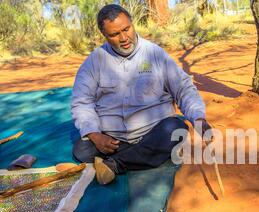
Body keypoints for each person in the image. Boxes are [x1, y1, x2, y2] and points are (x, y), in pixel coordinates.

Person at [71, 4, 211, 185]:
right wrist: (96, 135)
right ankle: (144, 155)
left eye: (126, 29)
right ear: (104, 36)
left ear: (132, 23)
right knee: (82, 151)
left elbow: (183, 89)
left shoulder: (154, 54)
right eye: (114, 34)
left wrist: (198, 117)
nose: (124, 38)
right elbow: (82, 102)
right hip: (114, 139)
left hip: (153, 131)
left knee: (176, 130)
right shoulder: (94, 61)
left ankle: (115, 164)